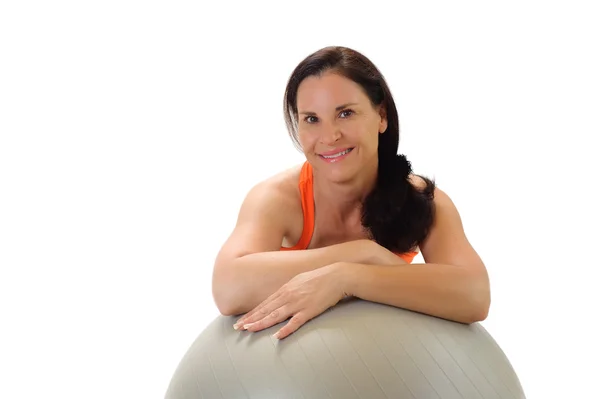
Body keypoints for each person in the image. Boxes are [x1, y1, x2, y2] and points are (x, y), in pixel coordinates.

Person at [211, 46, 490, 340]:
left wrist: (347, 277)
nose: (330, 137)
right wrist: (361, 253)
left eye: (345, 113)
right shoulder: (276, 198)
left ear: (381, 116)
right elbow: (228, 287)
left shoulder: (422, 200)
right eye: (311, 119)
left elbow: (475, 294)